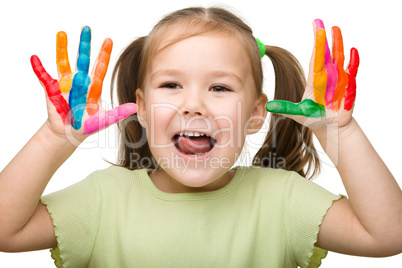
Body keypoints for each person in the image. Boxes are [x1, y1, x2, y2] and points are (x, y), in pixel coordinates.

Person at [0, 6, 401, 268]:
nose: (193, 105)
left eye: (220, 89)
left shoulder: (281, 199)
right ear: (141, 107)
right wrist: (55, 137)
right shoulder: (103, 199)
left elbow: (387, 236)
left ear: (255, 114)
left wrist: (339, 131)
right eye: (172, 84)